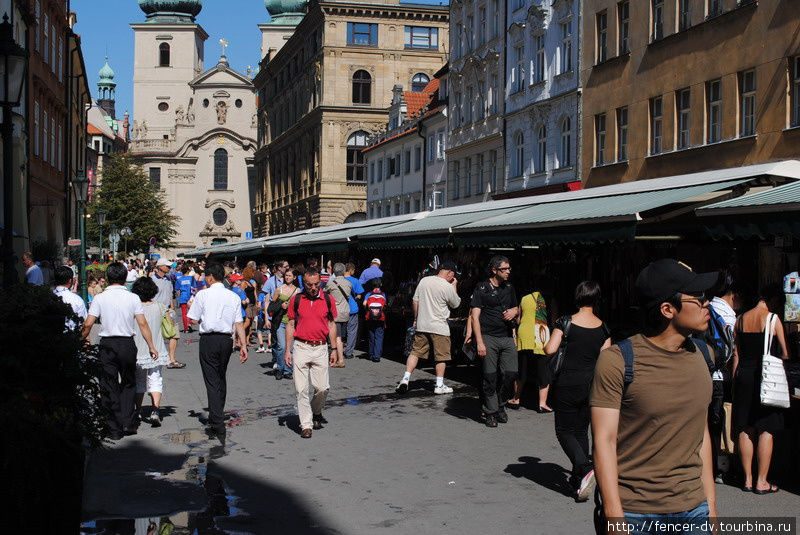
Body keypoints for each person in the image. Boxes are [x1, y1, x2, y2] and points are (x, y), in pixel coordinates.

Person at [592, 259, 719, 532]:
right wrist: (615, 517)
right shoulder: (617, 361)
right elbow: (604, 441)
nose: (707, 303)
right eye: (697, 297)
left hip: (694, 509)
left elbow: (702, 434)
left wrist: (711, 505)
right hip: (636, 513)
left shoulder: (703, 356)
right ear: (667, 309)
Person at [543, 281, 610, 501]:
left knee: (563, 430)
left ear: (577, 297)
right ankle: (578, 480)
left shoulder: (565, 322)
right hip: (591, 385)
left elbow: (550, 349)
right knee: (581, 431)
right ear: (597, 299)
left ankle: (584, 466)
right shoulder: (603, 328)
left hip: (567, 382)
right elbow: (606, 360)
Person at [81, 262, 159, 440]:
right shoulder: (133, 298)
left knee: (108, 385)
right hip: (127, 344)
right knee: (129, 382)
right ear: (125, 278)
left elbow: (88, 324)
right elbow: (142, 323)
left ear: (108, 278)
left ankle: (113, 427)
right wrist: (151, 346)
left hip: (107, 344)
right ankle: (129, 422)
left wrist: (78, 340)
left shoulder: (100, 298)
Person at [732, 283, 788, 495]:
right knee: (766, 429)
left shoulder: (740, 320)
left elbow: (736, 355)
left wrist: (736, 383)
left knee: (746, 427)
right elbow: (784, 352)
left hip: (744, 376)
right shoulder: (773, 319)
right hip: (766, 378)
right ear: (773, 300)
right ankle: (761, 482)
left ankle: (747, 479)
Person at [187, 263, 248, 440]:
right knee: (221, 376)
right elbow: (239, 323)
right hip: (226, 340)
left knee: (212, 380)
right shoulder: (233, 296)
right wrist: (243, 344)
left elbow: (191, 319)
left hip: (209, 339)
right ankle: (217, 414)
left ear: (210, 277)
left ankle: (217, 423)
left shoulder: (203, 294)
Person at [285, 268, 338, 438]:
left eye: (316, 284)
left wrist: (335, 349)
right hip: (301, 347)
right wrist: (288, 349)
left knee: (322, 388)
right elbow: (291, 325)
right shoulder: (297, 300)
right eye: (309, 285)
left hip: (321, 347)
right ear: (304, 283)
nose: (313, 288)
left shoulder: (328, 300)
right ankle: (306, 425)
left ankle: (316, 411)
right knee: (301, 390)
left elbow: (331, 325)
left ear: (320, 282)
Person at [467, 256, 520, 427]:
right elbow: (475, 317)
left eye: (509, 268)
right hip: (488, 336)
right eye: (505, 269)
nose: (508, 271)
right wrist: (480, 342)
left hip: (506, 337)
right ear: (494, 270)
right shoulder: (481, 288)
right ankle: (490, 411)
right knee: (490, 376)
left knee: (510, 374)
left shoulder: (510, 288)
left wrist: (514, 311)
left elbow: (516, 309)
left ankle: (500, 404)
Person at [396, 261, 461, 395]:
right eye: (453, 276)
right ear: (450, 273)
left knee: (415, 352)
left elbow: (415, 301)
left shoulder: (424, 281)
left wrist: (416, 318)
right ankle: (439, 384)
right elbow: (455, 304)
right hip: (439, 327)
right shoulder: (447, 286)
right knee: (441, 357)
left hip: (422, 324)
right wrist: (454, 286)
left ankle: (405, 379)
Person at [708, 274, 739, 483]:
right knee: (718, 422)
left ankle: (707, 465)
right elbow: (733, 351)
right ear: (734, 296)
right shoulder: (729, 316)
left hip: (705, 371)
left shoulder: (707, 308)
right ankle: (718, 468)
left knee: (706, 422)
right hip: (720, 375)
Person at [131, 277, 173, 427]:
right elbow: (171, 323)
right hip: (157, 348)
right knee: (156, 379)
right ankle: (155, 410)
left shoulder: (134, 307)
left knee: (139, 381)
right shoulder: (160, 307)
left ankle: (138, 410)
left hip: (138, 348)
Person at [511, 288, 552, 411]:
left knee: (522, 369)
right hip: (541, 335)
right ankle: (542, 404)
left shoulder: (524, 298)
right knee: (543, 369)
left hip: (525, 334)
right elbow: (553, 317)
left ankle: (516, 399)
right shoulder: (549, 299)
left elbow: (518, 319)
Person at [151, 258, 185, 369]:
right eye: (167, 266)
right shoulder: (152, 280)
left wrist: (172, 308)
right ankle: (156, 357)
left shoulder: (169, 279)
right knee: (156, 335)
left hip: (167, 310)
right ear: (160, 267)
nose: (169, 268)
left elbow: (170, 294)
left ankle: (171, 359)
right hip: (155, 310)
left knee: (174, 334)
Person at [270, 269, 300, 380]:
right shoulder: (279, 289)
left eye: (290, 275)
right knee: (281, 346)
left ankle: (288, 370)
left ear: (294, 277)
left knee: (290, 347)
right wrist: (280, 305)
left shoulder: (298, 291)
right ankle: (279, 368)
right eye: (286, 275)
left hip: (292, 322)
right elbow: (272, 306)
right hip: (280, 322)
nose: (287, 277)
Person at [326, 263, 353, 367]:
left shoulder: (331, 283)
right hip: (345, 312)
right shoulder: (348, 283)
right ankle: (337, 358)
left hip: (335, 313)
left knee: (337, 337)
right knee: (340, 337)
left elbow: (325, 293)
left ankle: (340, 360)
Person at [53, 265, 87, 330]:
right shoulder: (77, 299)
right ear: (70, 280)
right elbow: (83, 323)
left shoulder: (48, 296)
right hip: (71, 336)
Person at [343, 263, 365, 359]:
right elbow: (359, 295)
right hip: (352, 308)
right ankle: (348, 352)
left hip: (340, 309)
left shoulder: (338, 280)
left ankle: (336, 350)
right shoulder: (355, 281)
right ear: (351, 270)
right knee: (351, 331)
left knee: (338, 332)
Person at [364, 278, 387, 363]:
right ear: (381, 285)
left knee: (371, 336)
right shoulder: (383, 294)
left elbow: (364, 303)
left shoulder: (368, 294)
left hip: (370, 317)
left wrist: (368, 309)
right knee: (379, 336)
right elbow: (385, 305)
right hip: (380, 318)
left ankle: (371, 354)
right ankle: (377, 356)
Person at [175, 266, 195, 332]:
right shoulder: (191, 278)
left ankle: (186, 328)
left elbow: (178, 291)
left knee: (184, 313)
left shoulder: (179, 279)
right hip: (190, 297)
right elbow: (195, 288)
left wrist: (178, 299)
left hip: (183, 296)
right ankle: (189, 324)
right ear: (188, 271)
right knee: (191, 312)